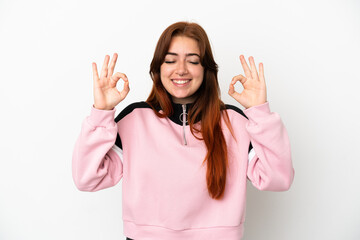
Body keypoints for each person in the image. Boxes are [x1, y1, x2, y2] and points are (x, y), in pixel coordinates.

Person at [72, 21, 294, 240]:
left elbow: (278, 179)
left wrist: (259, 113)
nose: (180, 70)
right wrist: (101, 112)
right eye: (170, 60)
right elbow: (87, 178)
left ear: (206, 69)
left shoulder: (235, 121)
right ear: (158, 68)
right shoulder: (135, 119)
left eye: (193, 61)